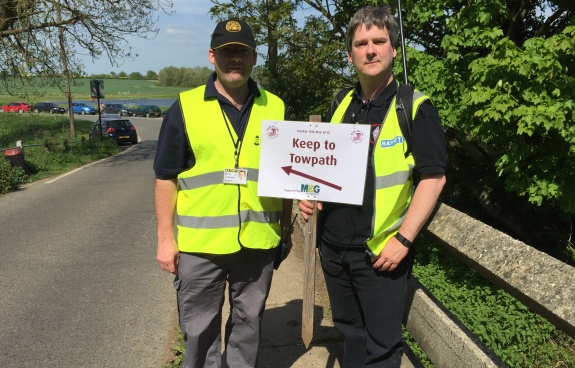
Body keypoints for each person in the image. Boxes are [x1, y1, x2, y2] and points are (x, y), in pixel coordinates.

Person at [299, 5, 447, 367]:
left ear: (393, 49)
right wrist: (311, 198)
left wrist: (403, 241)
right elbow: (325, 169)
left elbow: (434, 177)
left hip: (380, 254)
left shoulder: (414, 107)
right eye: (361, 43)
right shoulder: (341, 103)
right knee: (350, 333)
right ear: (350, 54)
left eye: (379, 41)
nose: (370, 49)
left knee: (381, 347)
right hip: (333, 249)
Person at [154, 19, 293, 368]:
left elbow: (290, 176)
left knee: (248, 325)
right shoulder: (184, 108)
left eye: (242, 53)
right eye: (228, 52)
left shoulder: (276, 108)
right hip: (200, 247)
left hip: (258, 243)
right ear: (212, 55)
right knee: (199, 331)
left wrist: (286, 230)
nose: (235, 59)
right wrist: (165, 240)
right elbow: (165, 177)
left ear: (254, 58)